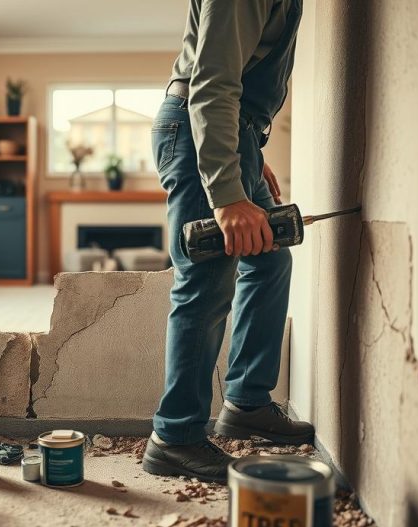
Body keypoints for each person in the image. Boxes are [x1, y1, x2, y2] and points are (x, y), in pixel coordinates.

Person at [142, 0, 313, 483]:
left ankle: (246, 402)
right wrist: (226, 192)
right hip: (203, 131)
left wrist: (249, 152)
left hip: (234, 133)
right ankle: (174, 438)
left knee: (269, 259)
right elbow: (212, 83)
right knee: (205, 282)